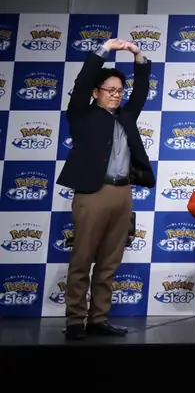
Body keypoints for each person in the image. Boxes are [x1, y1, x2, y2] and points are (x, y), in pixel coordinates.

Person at [58, 38, 156, 340]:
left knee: (110, 261)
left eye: (119, 90)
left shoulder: (127, 116)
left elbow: (141, 90)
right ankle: (75, 321)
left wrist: (138, 56)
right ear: (95, 93)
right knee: (82, 259)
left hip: (122, 193)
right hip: (93, 193)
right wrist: (105, 50)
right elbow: (83, 79)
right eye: (109, 90)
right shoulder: (81, 114)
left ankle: (98, 319)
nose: (116, 95)